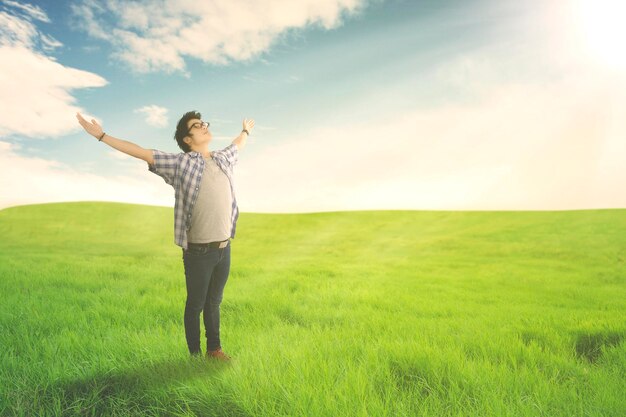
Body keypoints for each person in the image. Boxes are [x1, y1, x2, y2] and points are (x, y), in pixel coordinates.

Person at [76, 110, 255, 361]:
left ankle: (214, 350)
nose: (204, 126)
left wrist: (245, 130)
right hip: (199, 252)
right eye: (196, 125)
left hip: (224, 248)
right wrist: (102, 136)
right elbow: (139, 151)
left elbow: (238, 144)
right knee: (195, 305)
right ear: (187, 139)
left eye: (204, 123)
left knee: (214, 302)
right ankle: (194, 357)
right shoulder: (180, 163)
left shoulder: (223, 158)